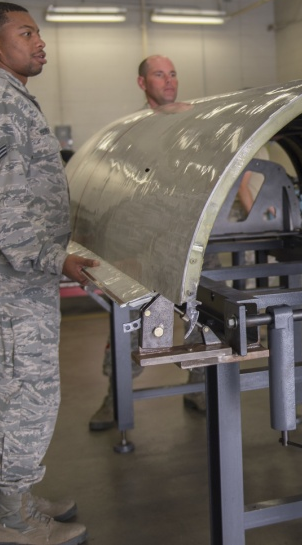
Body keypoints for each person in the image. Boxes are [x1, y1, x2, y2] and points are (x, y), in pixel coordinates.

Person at [0, 1, 98, 545]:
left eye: (39, 33)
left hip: (13, 278)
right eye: (26, 33)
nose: (40, 42)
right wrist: (53, 258)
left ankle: (17, 497)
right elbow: (6, 205)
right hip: (10, 280)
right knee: (27, 393)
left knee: (16, 390)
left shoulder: (6, 99)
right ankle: (13, 521)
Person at [87, 55, 208, 431]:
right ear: (142, 83)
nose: (169, 81)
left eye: (173, 74)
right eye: (159, 75)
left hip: (188, 237)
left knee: (205, 317)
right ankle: (115, 396)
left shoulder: (195, 125)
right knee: (136, 320)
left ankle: (201, 387)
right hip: (143, 239)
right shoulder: (134, 130)